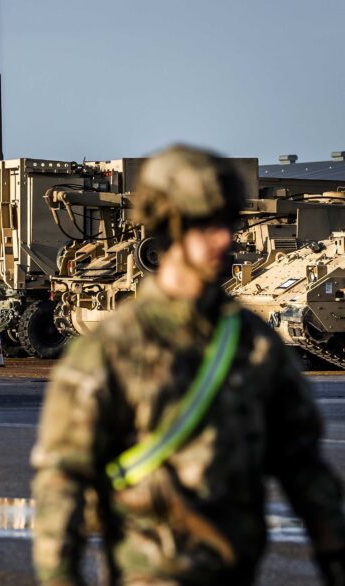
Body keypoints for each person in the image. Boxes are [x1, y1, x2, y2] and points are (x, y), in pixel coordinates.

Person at [30, 144, 345, 586]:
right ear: (166, 230)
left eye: (226, 223)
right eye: (203, 225)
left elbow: (304, 467)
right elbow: (62, 485)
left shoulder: (250, 343)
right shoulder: (112, 349)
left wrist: (334, 554)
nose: (223, 239)